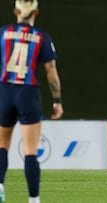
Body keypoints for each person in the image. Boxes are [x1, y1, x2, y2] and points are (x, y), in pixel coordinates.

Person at [0, 1, 63, 203]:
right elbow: (51, 72)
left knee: (2, 145)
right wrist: (57, 100)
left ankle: (0, 187)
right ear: (36, 12)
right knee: (30, 152)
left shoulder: (3, 32)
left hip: (5, 90)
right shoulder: (41, 37)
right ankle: (34, 200)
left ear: (16, 11)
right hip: (28, 93)